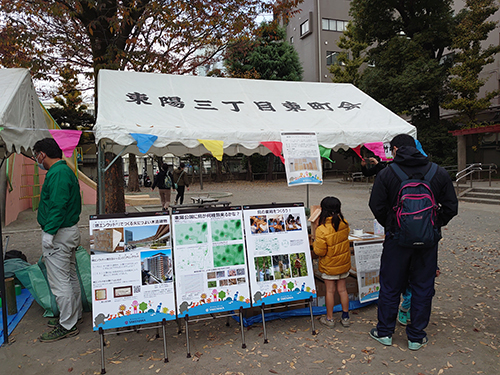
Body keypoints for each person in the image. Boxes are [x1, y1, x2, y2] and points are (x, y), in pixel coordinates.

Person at [368, 134, 458, 350]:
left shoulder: (387, 173)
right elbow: (451, 207)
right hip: (428, 242)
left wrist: (393, 225)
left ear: (395, 149)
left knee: (390, 286)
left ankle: (385, 333)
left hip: (396, 241)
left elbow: (376, 206)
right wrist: (433, 225)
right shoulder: (438, 172)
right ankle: (416, 337)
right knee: (423, 286)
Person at [34, 138, 82, 342]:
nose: (36, 159)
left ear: (42, 154)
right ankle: (72, 316)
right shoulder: (63, 171)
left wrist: (49, 232)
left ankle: (67, 324)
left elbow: (57, 205)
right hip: (67, 232)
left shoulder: (58, 173)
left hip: (60, 233)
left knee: (60, 281)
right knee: (70, 277)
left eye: (36, 155)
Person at [313, 196, 351, 328]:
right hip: (343, 264)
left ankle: (329, 319)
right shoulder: (344, 223)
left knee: (330, 291)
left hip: (330, 266)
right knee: (342, 290)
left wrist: (314, 240)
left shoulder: (322, 229)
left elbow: (320, 251)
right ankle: (345, 317)